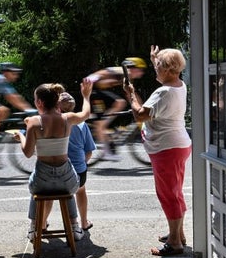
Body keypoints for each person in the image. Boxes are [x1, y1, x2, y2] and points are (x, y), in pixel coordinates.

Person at [124, 46, 191, 256]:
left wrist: (131, 94)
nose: (156, 70)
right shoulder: (179, 85)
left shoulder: (164, 93)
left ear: (168, 69)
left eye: (158, 66)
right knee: (175, 192)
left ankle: (174, 243)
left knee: (168, 195)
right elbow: (166, 73)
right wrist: (155, 59)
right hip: (177, 145)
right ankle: (177, 234)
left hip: (166, 149)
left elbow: (140, 115)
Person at [14, 78, 93, 241]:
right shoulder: (67, 118)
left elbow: (28, 153)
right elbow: (86, 114)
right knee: (69, 190)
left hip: (43, 182)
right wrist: (86, 95)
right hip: (67, 180)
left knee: (35, 190)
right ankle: (74, 226)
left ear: (40, 102)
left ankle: (34, 228)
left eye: (35, 99)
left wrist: (21, 136)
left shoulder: (33, 122)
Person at [86, 58, 147, 160]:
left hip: (97, 89)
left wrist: (142, 107)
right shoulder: (124, 72)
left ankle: (105, 127)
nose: (142, 73)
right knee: (119, 103)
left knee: (119, 103)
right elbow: (131, 95)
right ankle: (106, 148)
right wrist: (142, 108)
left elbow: (131, 94)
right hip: (92, 89)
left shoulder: (126, 74)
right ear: (134, 68)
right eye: (141, 70)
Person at [59, 92, 97, 231]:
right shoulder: (82, 124)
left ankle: (42, 223)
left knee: (49, 196)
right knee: (81, 191)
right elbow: (89, 151)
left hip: (57, 172)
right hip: (78, 171)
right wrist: (82, 163)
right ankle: (83, 222)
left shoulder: (54, 122)